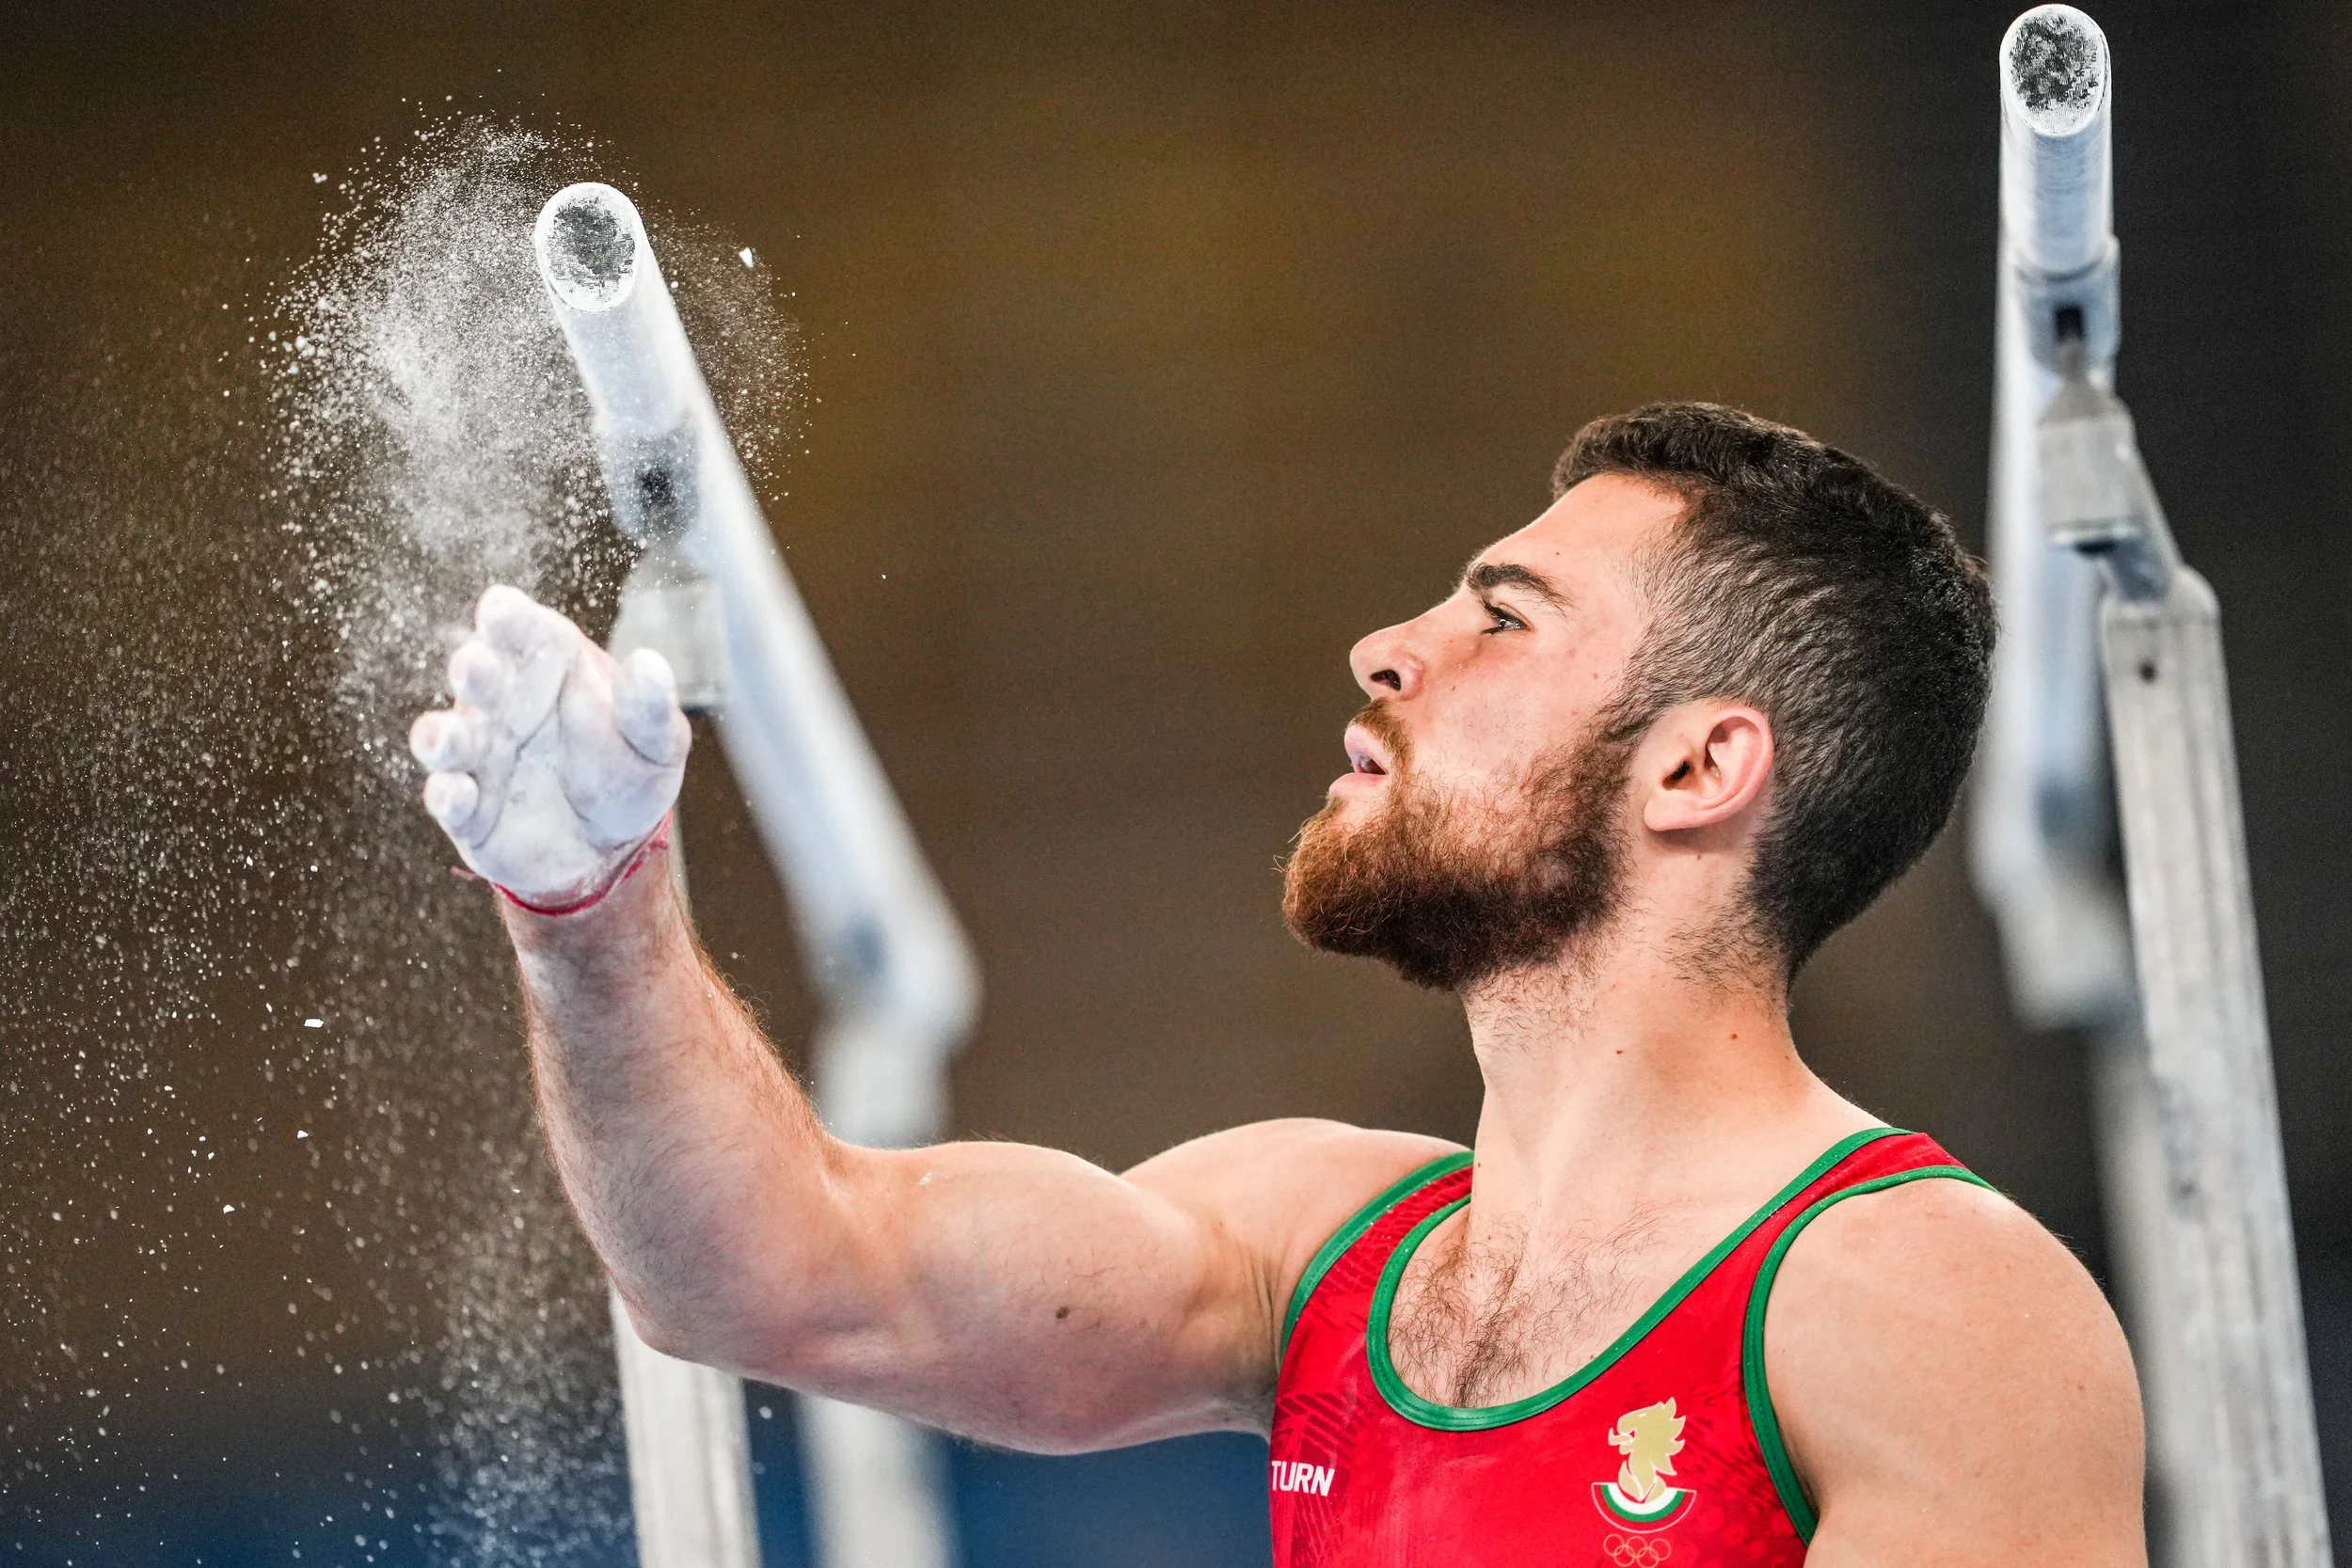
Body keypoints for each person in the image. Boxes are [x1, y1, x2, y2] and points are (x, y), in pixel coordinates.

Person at [408, 402, 2145, 1565]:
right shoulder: (1325, 1240)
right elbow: (783, 1277)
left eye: (1506, 617)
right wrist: (591, 909)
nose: (1388, 648)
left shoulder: (1928, 1302)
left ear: (1698, 768)